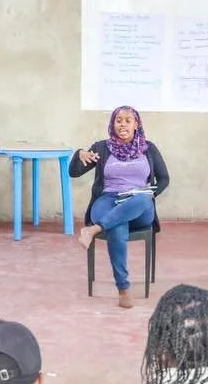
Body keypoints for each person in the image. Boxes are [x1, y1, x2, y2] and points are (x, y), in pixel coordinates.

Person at [70, 106, 170, 309]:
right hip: (108, 200)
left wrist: (152, 192)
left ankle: (95, 228)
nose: (122, 124)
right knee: (116, 224)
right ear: (112, 124)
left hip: (138, 205)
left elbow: (164, 178)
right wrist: (78, 155)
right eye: (118, 120)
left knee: (143, 198)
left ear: (136, 124)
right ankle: (123, 288)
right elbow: (74, 173)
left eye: (127, 120)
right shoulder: (101, 148)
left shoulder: (148, 149)